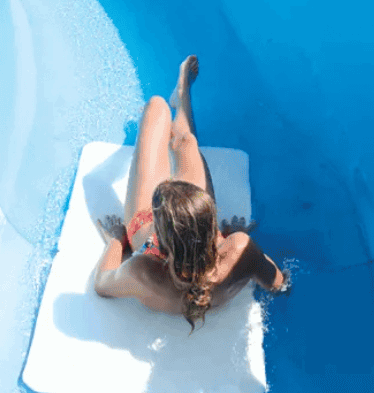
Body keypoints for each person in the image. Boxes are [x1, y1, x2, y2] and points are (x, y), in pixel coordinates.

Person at [94, 56, 289, 331]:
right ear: (211, 220)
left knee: (155, 108)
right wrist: (239, 241)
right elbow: (279, 284)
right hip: (191, 234)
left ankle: (170, 103)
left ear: (159, 236)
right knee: (186, 143)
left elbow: (102, 284)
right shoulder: (238, 248)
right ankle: (182, 96)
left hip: (144, 231)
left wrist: (117, 240)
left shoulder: (143, 270)